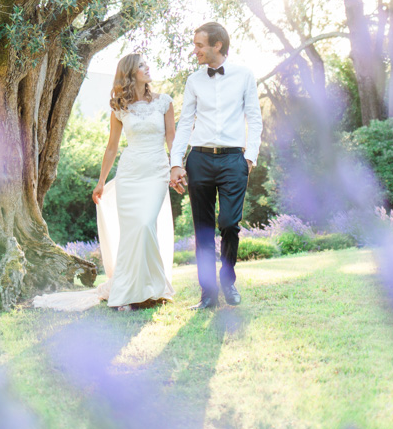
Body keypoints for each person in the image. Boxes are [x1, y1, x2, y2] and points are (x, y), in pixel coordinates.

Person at [32, 54, 178, 311]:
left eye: (147, 64)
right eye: (142, 66)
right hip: (130, 174)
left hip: (156, 171)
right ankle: (135, 291)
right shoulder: (120, 107)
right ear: (131, 74)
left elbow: (171, 138)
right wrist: (101, 181)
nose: (148, 68)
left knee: (146, 226)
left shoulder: (164, 102)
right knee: (133, 232)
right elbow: (112, 147)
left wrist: (178, 167)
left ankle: (153, 287)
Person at [169, 22, 263, 310]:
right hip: (200, 158)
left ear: (217, 45)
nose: (194, 50)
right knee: (203, 228)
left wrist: (250, 157)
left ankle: (228, 281)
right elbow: (185, 122)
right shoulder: (194, 80)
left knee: (229, 224)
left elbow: (254, 118)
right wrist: (175, 163)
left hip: (234, 159)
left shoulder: (244, 75)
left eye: (199, 45)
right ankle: (208, 294)